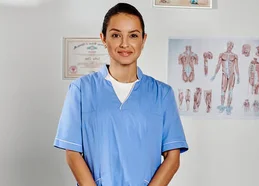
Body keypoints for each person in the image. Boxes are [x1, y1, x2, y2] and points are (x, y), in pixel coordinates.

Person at [53, 3, 189, 186]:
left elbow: (172, 157)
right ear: (103, 38)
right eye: (116, 35)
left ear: (143, 39)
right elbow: (72, 153)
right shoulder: (81, 90)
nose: (125, 44)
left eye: (133, 35)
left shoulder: (162, 94)